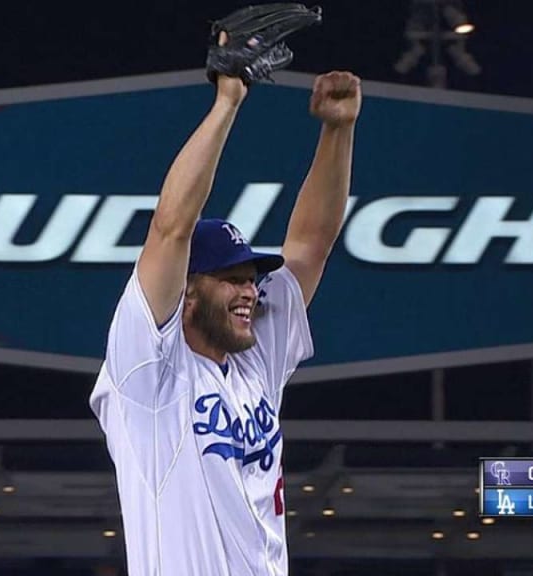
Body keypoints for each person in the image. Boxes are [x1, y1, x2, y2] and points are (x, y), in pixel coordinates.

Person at [89, 66, 361, 575]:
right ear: (187, 291)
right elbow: (170, 229)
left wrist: (337, 130)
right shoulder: (147, 375)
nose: (249, 292)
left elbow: (310, 244)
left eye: (251, 279)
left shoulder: (255, 362)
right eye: (230, 279)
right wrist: (227, 102)